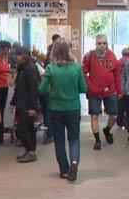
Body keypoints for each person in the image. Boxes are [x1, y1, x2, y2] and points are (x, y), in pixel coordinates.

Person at [40, 39, 87, 182]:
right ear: (68, 50)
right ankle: (74, 162)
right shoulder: (77, 68)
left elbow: (41, 90)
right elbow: (84, 89)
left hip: (55, 109)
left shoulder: (50, 69)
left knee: (59, 140)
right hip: (73, 108)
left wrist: (52, 89)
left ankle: (64, 171)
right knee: (74, 138)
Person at [82, 34, 121, 150]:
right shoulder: (89, 56)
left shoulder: (111, 56)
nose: (102, 45)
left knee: (114, 115)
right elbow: (83, 73)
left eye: (104, 43)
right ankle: (97, 140)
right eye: (99, 43)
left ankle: (107, 130)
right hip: (94, 92)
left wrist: (119, 91)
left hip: (110, 91)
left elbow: (117, 74)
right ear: (95, 44)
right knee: (94, 116)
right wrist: (90, 87)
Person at [9, 47, 41, 163]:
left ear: (24, 56)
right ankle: (30, 151)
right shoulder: (22, 68)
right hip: (22, 103)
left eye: (18, 54)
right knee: (28, 128)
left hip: (28, 105)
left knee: (22, 129)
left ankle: (30, 151)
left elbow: (34, 89)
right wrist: (13, 103)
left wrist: (33, 107)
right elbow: (18, 88)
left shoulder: (30, 69)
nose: (15, 57)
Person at [115, 47, 129, 130]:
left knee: (120, 106)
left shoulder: (118, 62)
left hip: (119, 87)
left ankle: (119, 122)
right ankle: (128, 122)